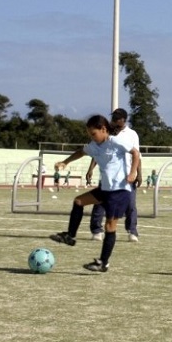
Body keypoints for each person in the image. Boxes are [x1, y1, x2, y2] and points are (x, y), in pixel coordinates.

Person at [50, 115, 139, 272]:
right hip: (105, 189)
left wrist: (133, 173)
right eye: (89, 134)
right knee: (78, 201)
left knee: (110, 226)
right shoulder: (94, 145)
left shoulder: (116, 141)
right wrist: (65, 162)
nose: (92, 137)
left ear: (103, 129)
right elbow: (81, 152)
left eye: (93, 133)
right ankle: (70, 236)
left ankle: (103, 263)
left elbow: (135, 153)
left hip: (119, 191)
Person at [88, 109, 141, 243]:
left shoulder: (132, 134)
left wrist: (137, 173)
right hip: (108, 175)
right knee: (100, 202)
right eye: (114, 118)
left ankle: (132, 231)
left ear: (124, 120)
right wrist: (90, 169)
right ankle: (96, 230)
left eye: (118, 118)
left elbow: (137, 154)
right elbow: (98, 151)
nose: (115, 121)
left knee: (130, 204)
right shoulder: (107, 131)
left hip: (126, 176)